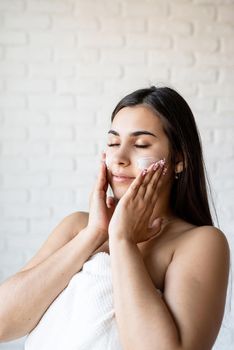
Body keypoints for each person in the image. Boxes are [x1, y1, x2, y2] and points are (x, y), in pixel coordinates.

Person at [0, 86, 230, 349]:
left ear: (179, 159)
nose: (119, 158)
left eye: (141, 144)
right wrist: (94, 234)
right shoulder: (77, 227)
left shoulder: (201, 243)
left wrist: (122, 241)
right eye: (113, 143)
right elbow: (3, 323)